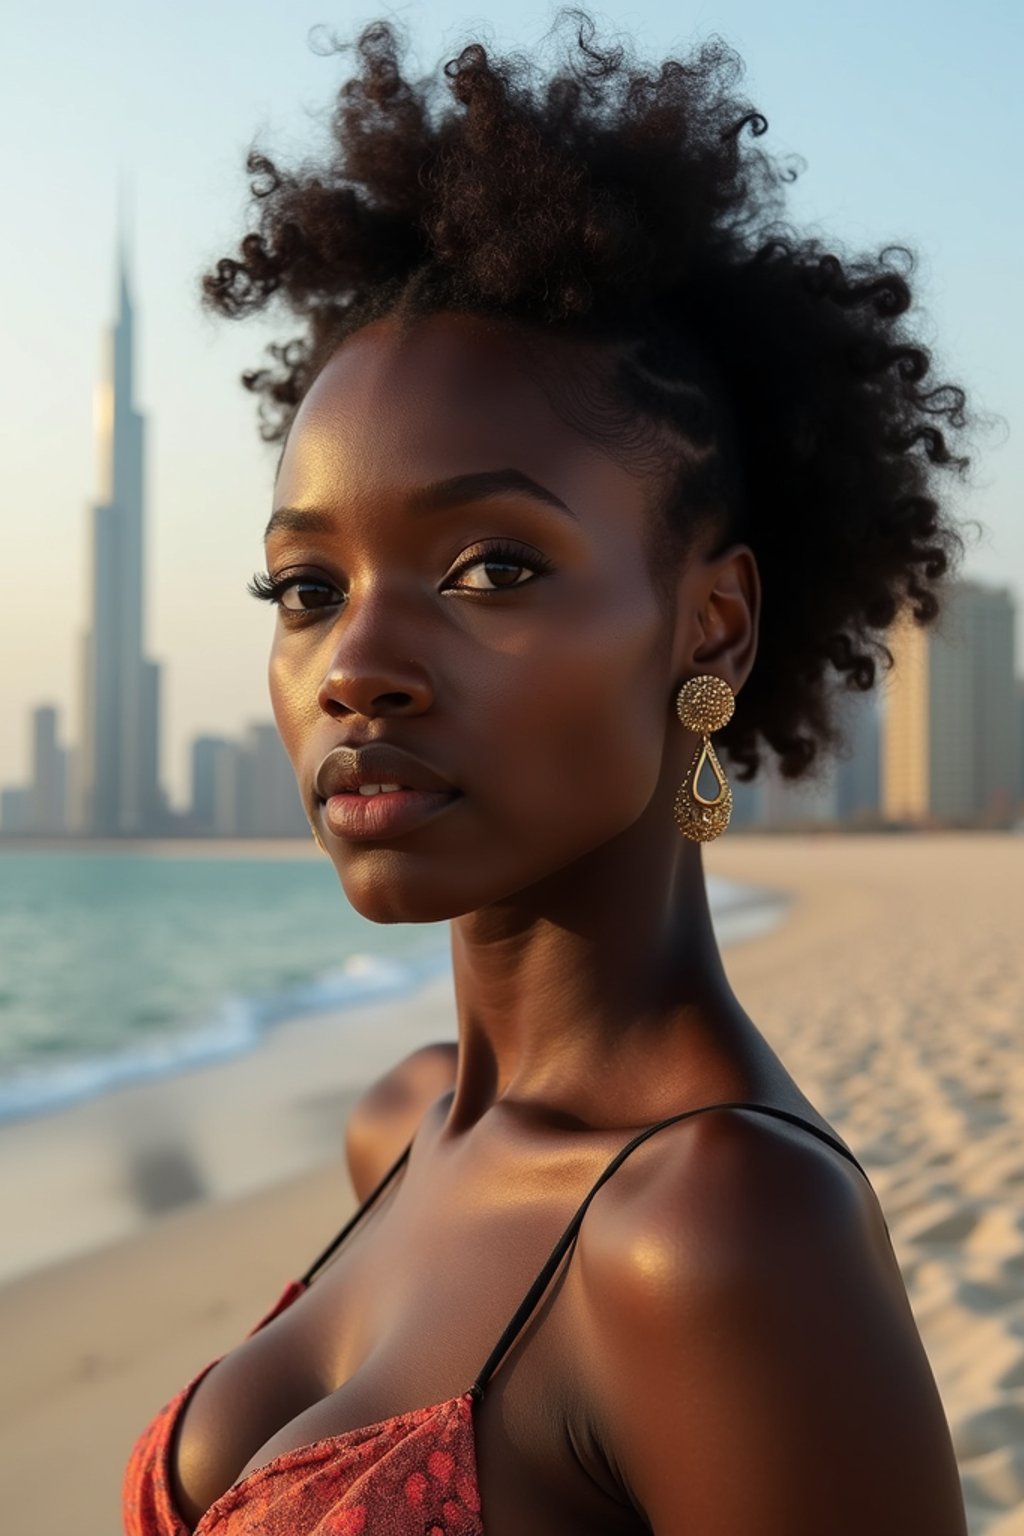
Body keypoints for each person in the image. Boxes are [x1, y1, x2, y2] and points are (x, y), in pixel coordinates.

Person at [124, 11, 974, 1533]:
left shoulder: (722, 1230)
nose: (353, 665)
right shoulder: (403, 1123)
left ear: (708, 624)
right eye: (306, 588)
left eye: (492, 566)